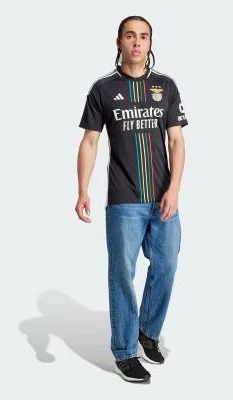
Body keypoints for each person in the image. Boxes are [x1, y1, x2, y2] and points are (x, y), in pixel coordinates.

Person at [75, 15, 188, 383]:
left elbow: (176, 140)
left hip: (163, 199)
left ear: (150, 43)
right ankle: (124, 352)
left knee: (167, 266)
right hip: (124, 200)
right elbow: (90, 141)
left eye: (143, 36)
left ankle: (147, 332)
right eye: (130, 35)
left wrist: (174, 188)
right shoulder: (103, 89)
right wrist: (82, 190)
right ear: (119, 42)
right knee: (122, 273)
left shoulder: (166, 87)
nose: (137, 42)